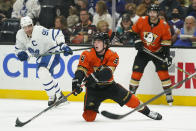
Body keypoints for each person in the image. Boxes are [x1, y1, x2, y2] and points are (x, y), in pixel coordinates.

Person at [71, 32, 162, 122]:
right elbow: (81, 70)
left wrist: (92, 78)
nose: (96, 44)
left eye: (99, 42)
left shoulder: (113, 55)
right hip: (93, 89)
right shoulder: (86, 54)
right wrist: (76, 82)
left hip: (110, 87)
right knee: (88, 118)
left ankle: (148, 112)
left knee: (132, 101)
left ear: (105, 44)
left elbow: (107, 74)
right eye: (95, 41)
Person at [15, 16, 73, 106]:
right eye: (25, 27)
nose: (28, 29)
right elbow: (18, 49)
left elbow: (57, 33)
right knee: (46, 75)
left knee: (42, 71)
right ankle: (60, 96)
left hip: (52, 52)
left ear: (32, 25)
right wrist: (20, 53)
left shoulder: (40, 30)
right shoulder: (20, 34)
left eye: (29, 26)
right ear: (22, 28)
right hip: (41, 57)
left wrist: (62, 45)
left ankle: (52, 96)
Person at [129, 4, 173, 105]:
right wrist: (137, 41)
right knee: (136, 71)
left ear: (158, 13)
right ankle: (131, 94)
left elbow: (166, 43)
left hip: (158, 52)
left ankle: (168, 94)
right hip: (143, 52)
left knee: (163, 73)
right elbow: (133, 32)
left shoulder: (164, 25)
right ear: (148, 12)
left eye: (154, 12)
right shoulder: (141, 20)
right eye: (150, 12)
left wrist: (167, 56)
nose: (152, 14)